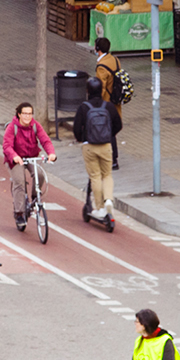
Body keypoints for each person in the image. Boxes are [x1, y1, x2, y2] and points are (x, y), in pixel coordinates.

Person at [70, 78, 121, 228]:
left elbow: (77, 128)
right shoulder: (109, 106)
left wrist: (82, 139)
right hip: (106, 146)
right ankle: (109, 200)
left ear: (87, 91)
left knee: (95, 176)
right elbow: (118, 125)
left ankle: (99, 208)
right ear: (101, 90)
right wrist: (108, 135)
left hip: (90, 146)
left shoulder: (84, 107)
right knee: (107, 175)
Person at [1, 102, 56, 220]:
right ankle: (19, 213)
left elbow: (45, 140)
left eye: (30, 114)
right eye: (25, 114)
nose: (27, 117)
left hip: (31, 156)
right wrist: (14, 156)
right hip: (16, 159)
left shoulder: (35, 125)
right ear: (19, 114)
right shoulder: (12, 127)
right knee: (19, 182)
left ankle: (35, 196)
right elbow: (7, 146)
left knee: (40, 174)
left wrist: (51, 153)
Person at [92, 37, 124, 169]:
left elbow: (101, 87)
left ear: (97, 49)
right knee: (111, 132)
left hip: (106, 104)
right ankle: (112, 159)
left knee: (107, 132)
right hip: (116, 103)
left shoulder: (101, 67)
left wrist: (96, 104)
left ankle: (111, 160)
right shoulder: (115, 60)